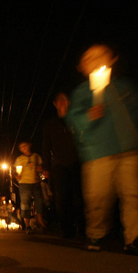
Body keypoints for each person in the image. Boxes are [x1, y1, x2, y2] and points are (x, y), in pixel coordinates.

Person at [66, 44, 138, 256]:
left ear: (112, 60)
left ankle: (135, 237)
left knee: (135, 196)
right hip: (98, 154)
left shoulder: (126, 87)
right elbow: (74, 121)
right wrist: (88, 117)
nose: (95, 59)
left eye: (101, 55)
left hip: (131, 150)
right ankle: (95, 232)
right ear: (82, 67)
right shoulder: (83, 93)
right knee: (98, 197)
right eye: (89, 57)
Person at [42, 92, 84, 238]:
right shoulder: (50, 125)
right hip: (59, 165)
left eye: (65, 99)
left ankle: (83, 228)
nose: (62, 102)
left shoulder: (76, 120)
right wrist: (46, 167)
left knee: (79, 196)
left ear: (69, 102)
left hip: (77, 161)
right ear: (55, 104)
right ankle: (67, 229)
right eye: (59, 100)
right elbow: (46, 146)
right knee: (62, 197)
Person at [14, 141, 45, 234]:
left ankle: (40, 221)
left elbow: (40, 167)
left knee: (39, 201)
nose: (23, 148)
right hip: (24, 183)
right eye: (21, 147)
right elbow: (17, 171)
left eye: (24, 146)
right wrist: (17, 176)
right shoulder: (20, 159)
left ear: (29, 145)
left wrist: (40, 169)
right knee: (25, 204)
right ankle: (27, 225)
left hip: (36, 182)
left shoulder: (36, 156)